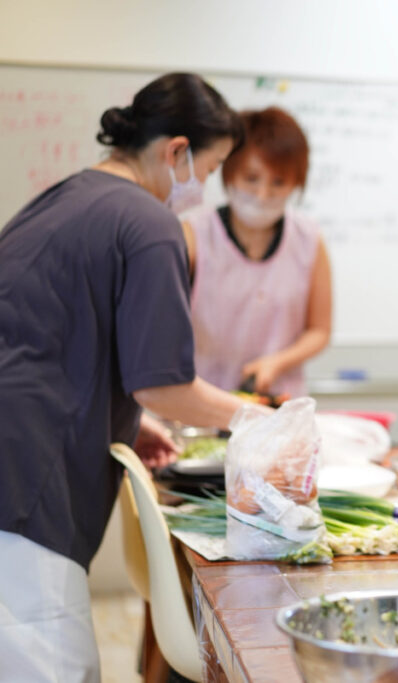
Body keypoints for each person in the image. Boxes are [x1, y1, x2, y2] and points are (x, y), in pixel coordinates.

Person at [0, 72, 256, 681]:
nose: (206, 188)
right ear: (176, 152)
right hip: (22, 474)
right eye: (212, 168)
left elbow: (52, 338)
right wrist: (253, 416)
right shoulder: (148, 221)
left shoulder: (66, 196)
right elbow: (164, 384)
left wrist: (120, 419)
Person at [181, 106, 331, 398]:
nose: (263, 195)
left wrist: (277, 363)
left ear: (296, 183)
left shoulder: (308, 239)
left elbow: (319, 330)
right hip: (202, 402)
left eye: (278, 183)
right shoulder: (194, 234)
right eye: (251, 178)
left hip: (277, 403)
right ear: (228, 171)